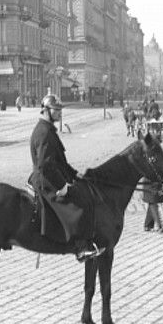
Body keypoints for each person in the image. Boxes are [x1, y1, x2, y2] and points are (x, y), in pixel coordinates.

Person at [28, 94, 104, 262]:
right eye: (57, 110)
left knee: (83, 191)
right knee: (80, 203)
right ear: (46, 111)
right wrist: (62, 186)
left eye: (60, 110)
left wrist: (75, 174)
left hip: (50, 177)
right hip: (46, 182)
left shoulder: (48, 130)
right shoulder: (44, 133)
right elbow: (45, 166)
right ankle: (81, 248)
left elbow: (60, 162)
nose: (60, 113)